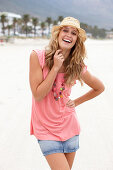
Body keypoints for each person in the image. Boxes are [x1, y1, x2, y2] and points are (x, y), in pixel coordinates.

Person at [29, 17, 105, 170]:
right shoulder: (38, 56)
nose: (69, 35)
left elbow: (99, 87)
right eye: (65, 30)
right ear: (58, 34)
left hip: (69, 127)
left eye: (74, 33)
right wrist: (55, 68)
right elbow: (38, 95)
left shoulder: (76, 65)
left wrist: (76, 102)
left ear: (77, 40)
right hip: (45, 128)